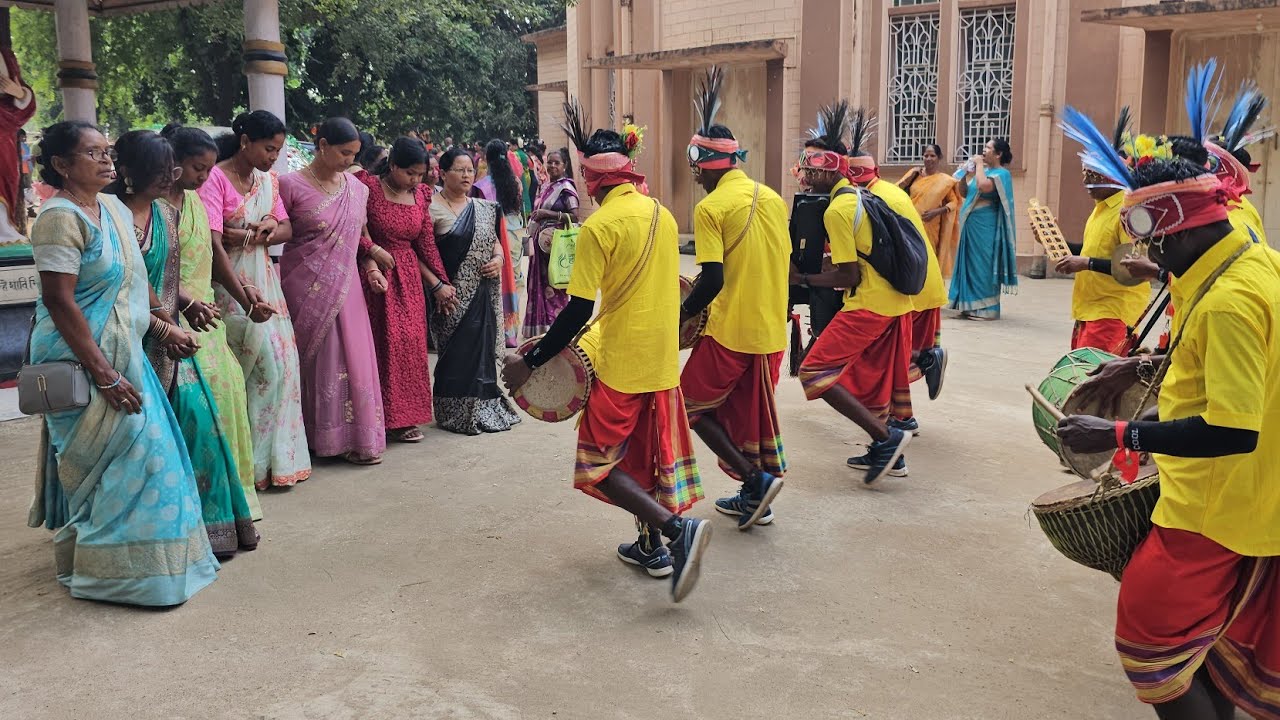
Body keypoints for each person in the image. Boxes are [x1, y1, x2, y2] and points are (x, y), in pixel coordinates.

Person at [1058, 113, 1280, 720]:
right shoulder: (1252, 260)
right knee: (1207, 646)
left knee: (1149, 643)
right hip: (1255, 493)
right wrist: (1135, 373)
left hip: (1219, 507)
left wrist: (1122, 431)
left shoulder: (1230, 303)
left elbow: (1235, 429)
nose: (1149, 259)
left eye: (1154, 244)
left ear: (1181, 233)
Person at [501, 102, 709, 601]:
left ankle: (678, 533)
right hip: (660, 360)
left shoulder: (599, 228)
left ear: (591, 180)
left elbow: (576, 312)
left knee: (599, 465)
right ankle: (651, 546)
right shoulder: (661, 211)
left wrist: (528, 362)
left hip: (617, 361)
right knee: (642, 457)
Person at [26, 121, 218, 605]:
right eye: (91, 153)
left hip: (125, 352)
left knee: (148, 460)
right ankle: (107, 575)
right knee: (106, 466)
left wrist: (164, 323)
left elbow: (134, 278)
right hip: (81, 359)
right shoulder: (59, 218)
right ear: (62, 165)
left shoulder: (110, 208)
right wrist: (104, 374)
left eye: (106, 151)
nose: (105, 159)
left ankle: (147, 572)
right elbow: (59, 300)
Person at [109, 130, 258, 559]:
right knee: (143, 438)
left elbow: (168, 279)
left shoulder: (167, 214)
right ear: (132, 174)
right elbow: (122, 284)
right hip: (128, 338)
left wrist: (187, 307)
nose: (175, 177)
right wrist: (164, 325)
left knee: (198, 424)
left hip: (170, 331)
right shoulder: (112, 215)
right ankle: (156, 538)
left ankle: (209, 529)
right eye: (168, 170)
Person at [678, 67, 786, 530]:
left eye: (696, 168)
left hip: (730, 330)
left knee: (689, 406)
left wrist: (678, 315)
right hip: (770, 331)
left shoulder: (710, 207)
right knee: (746, 415)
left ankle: (753, 481)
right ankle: (754, 492)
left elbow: (712, 281)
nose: (695, 178)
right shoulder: (775, 198)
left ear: (706, 164)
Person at [163, 124, 274, 555]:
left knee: (228, 406)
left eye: (209, 170)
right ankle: (193, 520)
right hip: (169, 322)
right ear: (168, 162)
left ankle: (230, 516)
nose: (204, 179)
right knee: (194, 417)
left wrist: (246, 298)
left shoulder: (193, 201)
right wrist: (184, 303)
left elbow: (213, 257)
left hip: (206, 320)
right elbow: (151, 275)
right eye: (197, 168)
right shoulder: (149, 209)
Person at [793, 101, 914, 484]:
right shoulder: (859, 196)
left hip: (870, 304)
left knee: (813, 372)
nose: (806, 176)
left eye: (812, 168)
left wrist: (805, 280)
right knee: (869, 376)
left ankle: (887, 437)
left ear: (829, 169)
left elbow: (848, 276)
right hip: (894, 302)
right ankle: (891, 455)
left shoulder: (837, 210)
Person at [200, 110, 312, 493]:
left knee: (283, 368)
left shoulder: (267, 181)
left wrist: (263, 231)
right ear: (245, 141)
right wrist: (243, 298)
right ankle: (245, 466)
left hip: (265, 282)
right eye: (268, 148)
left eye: (278, 150)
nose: (273, 157)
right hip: (230, 286)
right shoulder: (214, 178)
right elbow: (215, 242)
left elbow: (287, 227)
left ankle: (271, 465)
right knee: (257, 370)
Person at [278, 117, 386, 465]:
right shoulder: (288, 186)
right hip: (303, 287)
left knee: (353, 359)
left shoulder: (358, 190)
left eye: (354, 154)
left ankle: (355, 438)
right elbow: (280, 236)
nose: (348, 161)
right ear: (322, 145)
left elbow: (356, 240)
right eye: (343, 153)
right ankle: (314, 436)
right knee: (318, 361)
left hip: (348, 287)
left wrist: (370, 267)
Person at [842, 109, 948, 431]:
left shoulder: (868, 198)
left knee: (881, 361)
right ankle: (903, 416)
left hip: (908, 288)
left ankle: (925, 364)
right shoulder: (887, 189)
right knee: (892, 361)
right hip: (921, 284)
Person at [359, 136, 453, 443]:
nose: (415, 180)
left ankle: (406, 417)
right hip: (375, 274)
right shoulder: (368, 188)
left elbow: (425, 243)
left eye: (419, 174)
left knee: (410, 345)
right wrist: (371, 250)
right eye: (409, 173)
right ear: (393, 165)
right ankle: (380, 417)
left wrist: (440, 282)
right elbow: (354, 228)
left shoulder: (421, 195)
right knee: (381, 344)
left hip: (409, 277)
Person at [428, 147, 521, 435]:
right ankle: (451, 410)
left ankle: (484, 406)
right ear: (443, 173)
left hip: (481, 294)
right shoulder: (430, 208)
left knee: (481, 351)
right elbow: (423, 252)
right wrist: (437, 286)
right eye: (460, 169)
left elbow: (494, 241)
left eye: (470, 169)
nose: (467, 175)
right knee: (455, 355)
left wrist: (498, 259)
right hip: (450, 296)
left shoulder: (482, 207)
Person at [1054, 108, 1149, 356]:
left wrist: (1085, 263)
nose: (1087, 183)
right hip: (1089, 310)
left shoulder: (1128, 212)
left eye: (1093, 177)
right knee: (1080, 377)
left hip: (1112, 313)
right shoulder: (1100, 209)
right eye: (1086, 175)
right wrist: (1053, 240)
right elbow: (1088, 251)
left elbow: (1132, 269)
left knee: (1094, 384)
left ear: (1112, 178)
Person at [948, 138, 1018, 320]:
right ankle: (968, 306)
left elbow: (983, 186)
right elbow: (964, 192)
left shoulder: (1002, 174)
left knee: (983, 265)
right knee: (969, 265)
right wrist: (963, 174)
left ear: (998, 154)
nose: (983, 150)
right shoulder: (984, 172)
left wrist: (978, 164)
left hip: (986, 228)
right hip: (970, 227)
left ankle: (987, 309)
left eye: (988, 147)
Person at [522, 146, 578, 337]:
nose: (552, 166)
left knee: (555, 284)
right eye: (550, 163)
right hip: (541, 246)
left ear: (565, 166)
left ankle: (556, 325)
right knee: (540, 282)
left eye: (557, 163)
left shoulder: (566, 188)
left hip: (556, 246)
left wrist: (548, 214)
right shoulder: (546, 186)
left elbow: (575, 216)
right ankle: (540, 326)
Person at [473, 138, 525, 341]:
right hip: (514, 234)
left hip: (491, 237)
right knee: (513, 280)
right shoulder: (516, 183)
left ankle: (492, 331)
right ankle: (510, 332)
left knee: (493, 281)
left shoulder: (481, 186)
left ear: (486, 158)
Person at [897, 143, 961, 278]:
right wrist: (910, 176)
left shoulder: (945, 180)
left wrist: (937, 212)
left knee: (929, 258)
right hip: (911, 223)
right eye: (926, 155)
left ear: (939, 158)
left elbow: (954, 202)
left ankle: (931, 291)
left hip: (931, 225)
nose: (929, 158)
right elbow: (896, 191)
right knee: (911, 257)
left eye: (932, 155)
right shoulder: (914, 174)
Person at [0, 46, 35, 242]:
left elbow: (23, 95)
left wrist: (18, 93)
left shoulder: (4, 55)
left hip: (2, 133)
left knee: (4, 177)